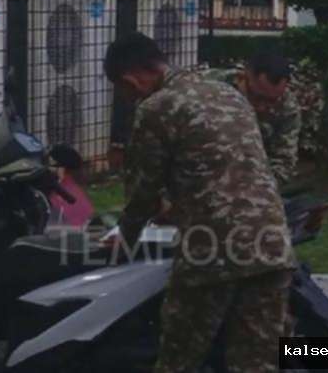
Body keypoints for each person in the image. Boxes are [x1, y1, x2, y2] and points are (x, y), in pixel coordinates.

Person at [104, 32, 297, 373]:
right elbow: (225, 173)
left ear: (130, 79)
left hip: (212, 251)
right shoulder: (229, 94)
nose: (127, 98)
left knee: (178, 360)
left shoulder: (156, 108)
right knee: (256, 363)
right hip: (271, 244)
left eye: (123, 90)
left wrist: (125, 239)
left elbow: (143, 192)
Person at [199, 53, 302, 186]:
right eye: (257, 97)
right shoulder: (207, 87)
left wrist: (257, 187)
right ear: (242, 78)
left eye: (272, 101)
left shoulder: (287, 107)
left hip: (251, 179)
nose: (262, 107)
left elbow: (283, 161)